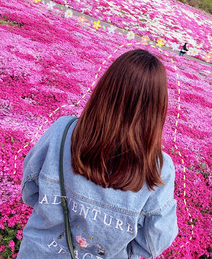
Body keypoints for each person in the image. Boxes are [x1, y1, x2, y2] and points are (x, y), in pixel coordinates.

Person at [18, 49, 178, 259]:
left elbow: (30, 188)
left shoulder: (63, 130)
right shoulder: (159, 168)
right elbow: (154, 240)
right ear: (157, 108)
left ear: (105, 90)